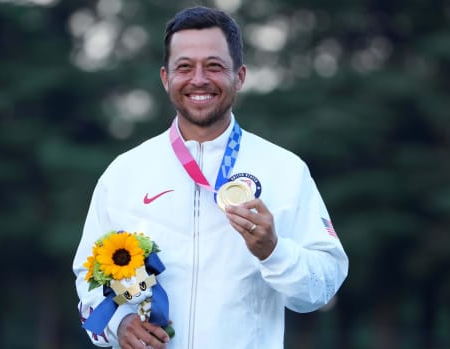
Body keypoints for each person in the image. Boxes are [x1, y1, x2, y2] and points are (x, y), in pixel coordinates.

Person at [73, 5, 348, 349]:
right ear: (165, 78)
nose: (199, 79)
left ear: (240, 76)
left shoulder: (285, 170)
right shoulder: (125, 172)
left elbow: (323, 285)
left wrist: (273, 251)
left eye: (214, 66)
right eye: (184, 67)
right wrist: (119, 323)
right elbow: (87, 278)